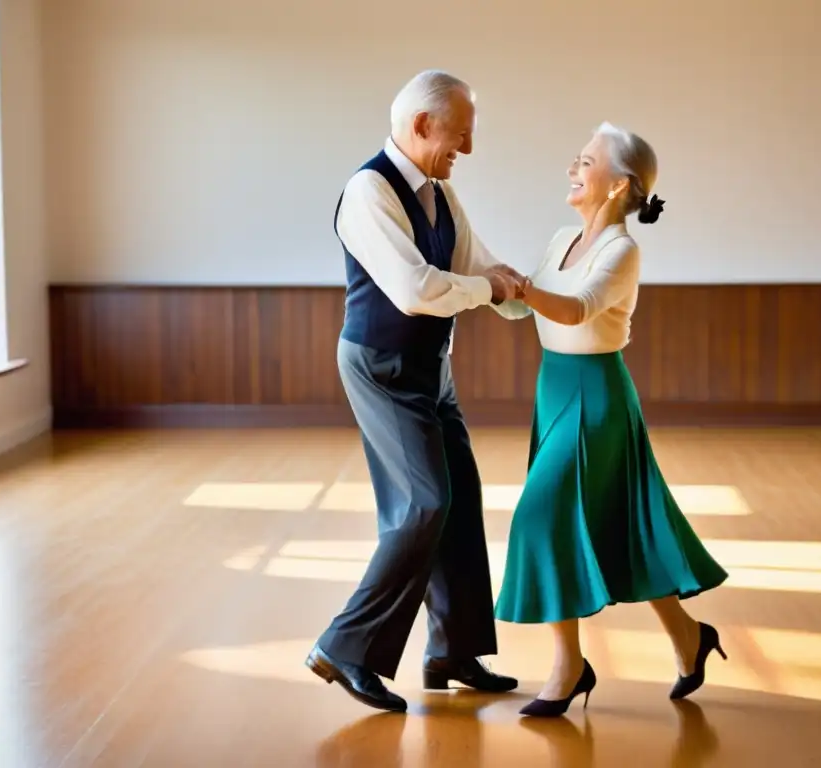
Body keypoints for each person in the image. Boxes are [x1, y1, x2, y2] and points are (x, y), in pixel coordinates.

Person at [492, 122, 730, 717]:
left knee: (541, 517)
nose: (573, 168)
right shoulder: (560, 239)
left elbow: (576, 309)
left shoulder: (622, 250)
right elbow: (529, 307)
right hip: (555, 389)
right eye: (576, 158)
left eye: (586, 161)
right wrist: (485, 284)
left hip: (597, 397)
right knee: (612, 528)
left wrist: (519, 287)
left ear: (620, 185)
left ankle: (569, 667)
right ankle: (688, 637)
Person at [305, 70, 522, 713]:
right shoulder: (367, 190)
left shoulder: (440, 193)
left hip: (433, 368)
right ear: (422, 124)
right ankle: (345, 649)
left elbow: (480, 267)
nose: (468, 149)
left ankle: (451, 650)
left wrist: (538, 295)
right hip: (383, 366)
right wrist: (492, 291)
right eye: (461, 134)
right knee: (424, 504)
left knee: (460, 496)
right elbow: (416, 289)